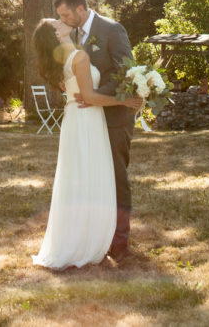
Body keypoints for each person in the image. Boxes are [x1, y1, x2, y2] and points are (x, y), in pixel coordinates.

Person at [31, 18, 141, 270]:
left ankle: (78, 237)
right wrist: (125, 101)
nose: (61, 20)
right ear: (57, 35)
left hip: (76, 120)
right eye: (56, 22)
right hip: (86, 119)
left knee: (79, 177)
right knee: (89, 176)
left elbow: (78, 93)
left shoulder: (64, 61)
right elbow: (90, 97)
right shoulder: (78, 58)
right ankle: (86, 240)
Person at [53, 0, 136, 261]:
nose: (63, 20)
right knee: (94, 179)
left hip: (114, 118)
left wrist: (96, 95)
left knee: (116, 177)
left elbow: (126, 73)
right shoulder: (74, 35)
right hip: (89, 120)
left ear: (80, 8)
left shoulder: (112, 29)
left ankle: (120, 241)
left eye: (66, 14)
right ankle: (97, 237)